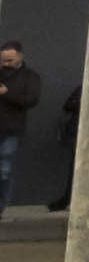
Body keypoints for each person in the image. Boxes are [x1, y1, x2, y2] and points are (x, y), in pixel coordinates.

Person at [0, 42, 41, 216]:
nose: (6, 63)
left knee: (4, 171)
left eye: (10, 59)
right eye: (3, 60)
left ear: (20, 57)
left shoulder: (30, 77)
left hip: (10, 130)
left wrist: (6, 93)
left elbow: (31, 100)